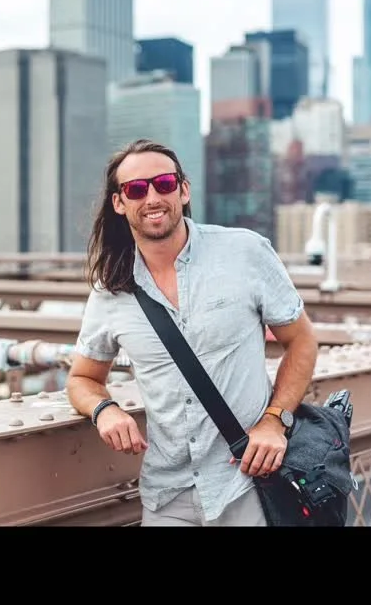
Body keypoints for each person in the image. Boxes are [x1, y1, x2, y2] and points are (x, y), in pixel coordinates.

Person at [67, 139, 319, 527]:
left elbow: (301, 340)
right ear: (119, 203)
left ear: (183, 190)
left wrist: (275, 420)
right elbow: (82, 378)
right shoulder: (110, 290)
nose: (153, 197)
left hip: (248, 483)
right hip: (168, 496)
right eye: (136, 189)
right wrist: (104, 410)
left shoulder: (244, 252)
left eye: (164, 184)